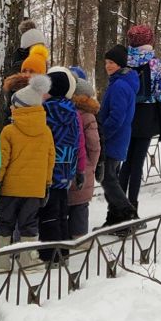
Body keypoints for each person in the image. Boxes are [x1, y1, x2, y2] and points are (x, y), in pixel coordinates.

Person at [0, 75, 54, 269]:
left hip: (10, 189)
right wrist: (46, 183)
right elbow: (49, 159)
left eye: (14, 105)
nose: (11, 108)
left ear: (20, 107)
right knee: (29, 225)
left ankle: (2, 262)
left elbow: (3, 160)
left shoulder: (9, 131)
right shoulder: (46, 131)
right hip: (35, 189)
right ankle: (28, 262)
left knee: (6, 224)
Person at [121, 23, 161, 217]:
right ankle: (131, 209)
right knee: (137, 164)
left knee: (126, 162)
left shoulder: (125, 60)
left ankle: (118, 209)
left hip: (128, 115)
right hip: (147, 117)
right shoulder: (155, 64)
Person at [38, 68, 85, 259]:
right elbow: (77, 140)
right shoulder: (72, 111)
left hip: (50, 169)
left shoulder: (46, 111)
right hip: (67, 168)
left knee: (48, 213)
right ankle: (63, 251)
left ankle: (50, 254)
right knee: (61, 211)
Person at [96, 44, 138, 224]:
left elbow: (116, 117)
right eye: (106, 62)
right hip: (118, 138)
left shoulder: (120, 86)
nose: (108, 66)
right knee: (111, 179)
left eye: (112, 62)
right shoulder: (120, 82)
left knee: (108, 179)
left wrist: (102, 134)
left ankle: (127, 213)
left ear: (120, 64)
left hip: (113, 139)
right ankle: (115, 218)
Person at [67, 67, 102, 239]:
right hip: (84, 168)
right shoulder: (88, 116)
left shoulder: (66, 112)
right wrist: (92, 164)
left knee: (66, 204)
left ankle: (63, 237)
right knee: (80, 207)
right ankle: (80, 239)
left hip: (66, 165)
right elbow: (94, 145)